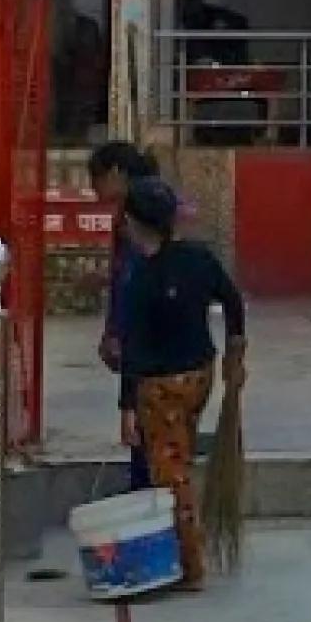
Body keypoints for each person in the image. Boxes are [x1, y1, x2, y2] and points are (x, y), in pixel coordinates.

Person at [115, 174, 246, 591]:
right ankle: (183, 553)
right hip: (200, 377)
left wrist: (127, 408)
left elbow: (132, 350)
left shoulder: (137, 278)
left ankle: (189, 565)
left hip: (161, 387)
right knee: (180, 457)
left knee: (171, 474)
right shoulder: (197, 259)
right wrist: (235, 351)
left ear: (133, 223)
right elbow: (233, 299)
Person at [88, 141, 161, 487]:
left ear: (116, 173)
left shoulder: (135, 211)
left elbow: (131, 281)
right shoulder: (157, 198)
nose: (95, 191)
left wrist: (115, 331)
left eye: (97, 181)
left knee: (143, 428)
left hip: (145, 337)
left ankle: (147, 506)